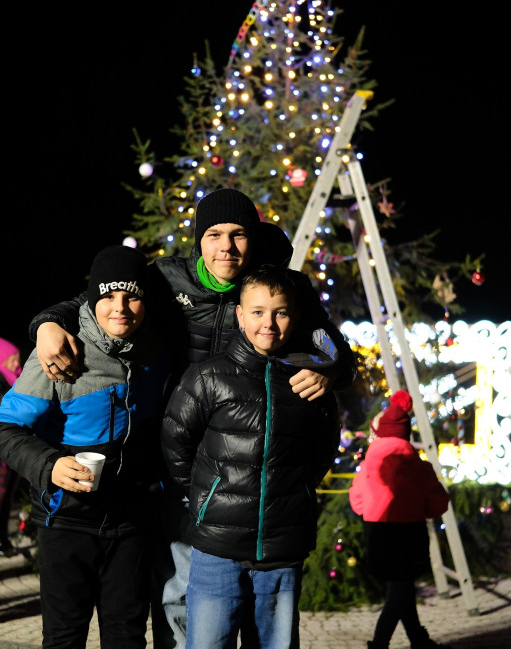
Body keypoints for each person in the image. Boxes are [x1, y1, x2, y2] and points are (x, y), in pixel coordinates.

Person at [27, 187, 358, 648]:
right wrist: (46, 324)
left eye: (238, 234)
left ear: (253, 238)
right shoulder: (167, 279)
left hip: (249, 466)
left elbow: (335, 348)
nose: (227, 247)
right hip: (175, 458)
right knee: (179, 591)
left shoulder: (278, 286)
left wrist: (331, 369)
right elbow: (100, 298)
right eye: (214, 234)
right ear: (199, 240)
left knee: (252, 609)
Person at [0, 245, 172, 649]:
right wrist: (50, 465)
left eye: (131, 296)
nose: (120, 308)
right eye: (108, 297)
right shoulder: (59, 351)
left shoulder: (159, 349)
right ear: (92, 299)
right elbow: (6, 428)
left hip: (131, 523)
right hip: (66, 522)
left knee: (127, 636)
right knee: (64, 638)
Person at [161, 265, 341, 649]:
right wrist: (207, 498)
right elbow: (176, 441)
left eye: (280, 313)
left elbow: (323, 450)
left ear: (295, 316)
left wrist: (294, 492)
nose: (268, 324)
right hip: (217, 549)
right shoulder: (209, 376)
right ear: (241, 315)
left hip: (281, 549)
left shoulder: (309, 383)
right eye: (257, 312)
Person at [348, 389, 451, 649]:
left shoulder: (368, 465)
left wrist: (373, 509)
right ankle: (379, 644)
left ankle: (419, 640)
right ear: (406, 433)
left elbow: (357, 501)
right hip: (409, 534)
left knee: (401, 589)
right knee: (401, 591)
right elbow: (438, 502)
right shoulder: (418, 465)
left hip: (378, 533)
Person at [0, 337, 23, 556]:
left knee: (7, 498)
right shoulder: (2, 380)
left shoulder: (16, 379)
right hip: (3, 447)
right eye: (12, 359)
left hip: (12, 450)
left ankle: (3, 540)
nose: (17, 364)